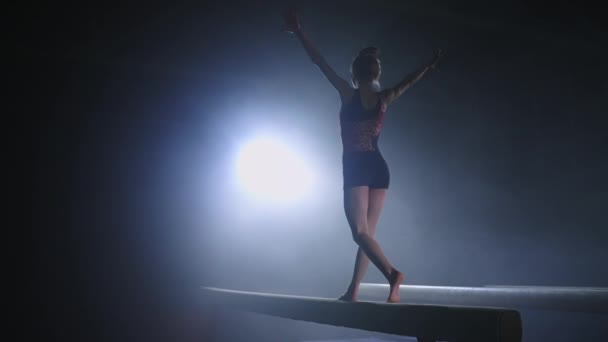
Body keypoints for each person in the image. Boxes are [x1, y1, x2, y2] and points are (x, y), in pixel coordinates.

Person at [282, 8, 443, 303]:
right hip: (379, 168)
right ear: (377, 74)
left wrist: (300, 32)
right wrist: (428, 66)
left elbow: (319, 62)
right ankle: (353, 291)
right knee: (367, 235)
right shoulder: (385, 98)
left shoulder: (347, 93)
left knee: (359, 233)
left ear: (354, 75)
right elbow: (410, 80)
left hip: (357, 167)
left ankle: (393, 274)